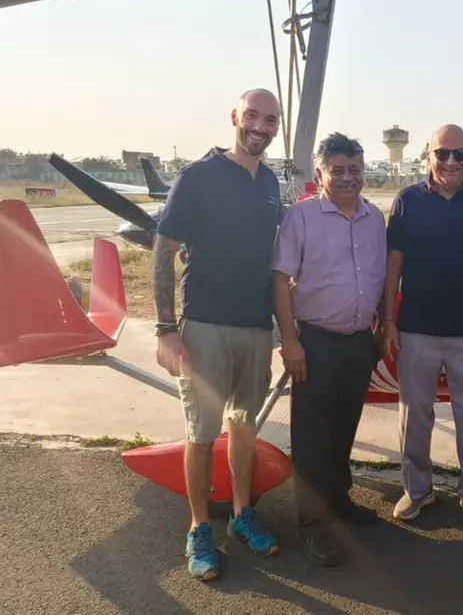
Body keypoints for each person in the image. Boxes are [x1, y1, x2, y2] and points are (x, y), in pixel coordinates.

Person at [153, 88, 285, 581]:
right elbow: (164, 250)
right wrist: (166, 329)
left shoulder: (269, 182)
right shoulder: (198, 176)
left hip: (255, 327)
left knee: (245, 426)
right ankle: (199, 526)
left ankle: (242, 513)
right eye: (252, 116)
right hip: (205, 323)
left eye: (269, 120)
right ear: (235, 117)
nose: (259, 127)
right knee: (202, 433)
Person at [382, 124, 463, 530]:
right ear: (428, 156)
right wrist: (388, 321)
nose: (451, 161)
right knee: (414, 416)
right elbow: (393, 266)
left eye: (460, 154)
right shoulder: (407, 201)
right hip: (416, 329)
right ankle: (417, 490)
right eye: (442, 153)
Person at [272, 132, 387, 567]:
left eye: (354, 169)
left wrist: (381, 325)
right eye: (337, 170)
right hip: (315, 341)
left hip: (359, 341)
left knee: (344, 426)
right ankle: (311, 524)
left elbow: (379, 275)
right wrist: (289, 339)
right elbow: (279, 279)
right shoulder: (301, 217)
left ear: (364, 172)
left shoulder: (373, 218)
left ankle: (338, 500)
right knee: (311, 435)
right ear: (320, 174)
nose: (346, 177)